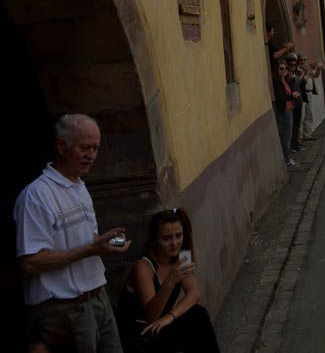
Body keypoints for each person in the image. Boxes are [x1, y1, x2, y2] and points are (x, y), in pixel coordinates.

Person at [15, 114, 133, 353]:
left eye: (96, 148)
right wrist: (92, 249)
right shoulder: (37, 196)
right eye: (85, 147)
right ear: (61, 146)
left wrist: (102, 245)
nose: (92, 155)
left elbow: (82, 244)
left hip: (97, 299)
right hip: (65, 310)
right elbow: (30, 262)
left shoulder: (80, 186)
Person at [115, 209, 220, 353]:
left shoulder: (180, 258)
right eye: (166, 238)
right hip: (140, 335)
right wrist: (170, 281)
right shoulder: (143, 266)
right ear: (155, 240)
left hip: (161, 325)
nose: (175, 243)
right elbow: (151, 316)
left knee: (198, 314)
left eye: (178, 236)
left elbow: (194, 293)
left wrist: (170, 317)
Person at [273, 61, 299, 168]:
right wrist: (292, 96)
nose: (284, 71)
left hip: (289, 109)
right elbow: (280, 97)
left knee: (288, 135)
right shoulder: (278, 83)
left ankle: (287, 158)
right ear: (277, 70)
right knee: (287, 137)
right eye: (281, 69)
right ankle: (287, 160)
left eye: (285, 69)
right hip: (284, 111)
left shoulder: (285, 81)